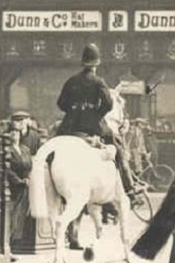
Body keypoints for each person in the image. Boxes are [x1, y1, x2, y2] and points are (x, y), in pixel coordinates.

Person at [56, 43, 143, 200]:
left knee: (53, 146)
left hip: (69, 126)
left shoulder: (71, 81)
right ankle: (130, 187)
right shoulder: (98, 82)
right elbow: (109, 105)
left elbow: (61, 103)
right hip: (92, 125)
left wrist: (74, 110)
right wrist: (96, 114)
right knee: (120, 150)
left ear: (83, 62)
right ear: (96, 64)